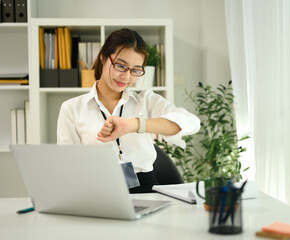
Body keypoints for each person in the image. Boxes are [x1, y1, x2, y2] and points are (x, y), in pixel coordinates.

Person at [57, 28, 200, 193]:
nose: (126, 77)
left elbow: (191, 122)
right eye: (120, 66)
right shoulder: (72, 108)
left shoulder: (145, 101)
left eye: (135, 70)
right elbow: (67, 164)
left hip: (145, 187)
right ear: (103, 58)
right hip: (96, 189)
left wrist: (134, 125)